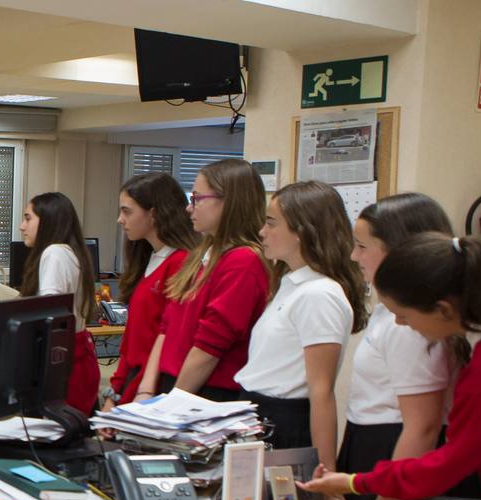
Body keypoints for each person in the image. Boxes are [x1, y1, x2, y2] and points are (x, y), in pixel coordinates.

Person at [299, 233, 481, 500]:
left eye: (405, 316)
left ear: (443, 310)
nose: (400, 323)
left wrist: (353, 482)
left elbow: (445, 466)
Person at [334, 194, 462, 500]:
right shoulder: (388, 311)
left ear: (399, 252)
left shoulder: (410, 323)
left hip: (397, 448)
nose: (353, 256)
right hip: (374, 441)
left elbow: (423, 426)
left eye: (361, 247)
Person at [234, 181, 366, 471]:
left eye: (271, 224)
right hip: (258, 413)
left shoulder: (319, 294)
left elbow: (321, 392)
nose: (261, 232)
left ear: (302, 231)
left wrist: (325, 471)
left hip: (285, 422)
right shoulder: (291, 283)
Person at [141, 157, 269, 402]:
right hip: (175, 386)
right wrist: (146, 391)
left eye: (197, 199)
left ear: (228, 202)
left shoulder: (243, 261)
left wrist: (174, 403)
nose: (189, 208)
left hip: (204, 394)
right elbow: (166, 327)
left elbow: (209, 347)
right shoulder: (200, 256)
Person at [107, 173, 198, 408]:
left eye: (127, 211)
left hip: (153, 388)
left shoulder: (181, 262)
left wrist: (138, 392)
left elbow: (165, 337)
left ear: (154, 213)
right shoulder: (150, 257)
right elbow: (132, 341)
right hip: (134, 382)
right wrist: (115, 392)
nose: (120, 219)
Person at [18, 192, 99, 415]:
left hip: (62, 364)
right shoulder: (71, 252)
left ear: (48, 220)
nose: (21, 226)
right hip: (78, 358)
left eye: (27, 218)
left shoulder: (53, 253)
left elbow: (48, 317)